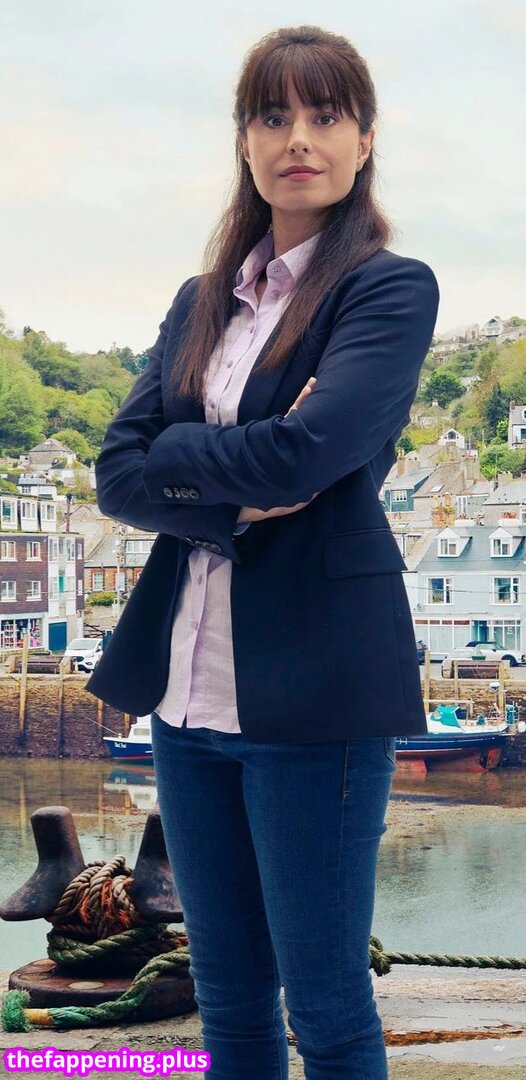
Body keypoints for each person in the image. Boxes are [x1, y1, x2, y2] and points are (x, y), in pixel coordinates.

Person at [88, 24, 440, 1079]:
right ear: (243, 140)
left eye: (326, 115)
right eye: (273, 115)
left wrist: (187, 461)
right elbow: (118, 473)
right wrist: (231, 492)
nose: (299, 139)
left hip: (317, 699)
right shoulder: (201, 303)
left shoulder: (386, 289)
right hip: (186, 700)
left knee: (326, 1006)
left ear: (364, 139)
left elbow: (306, 455)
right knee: (231, 1002)